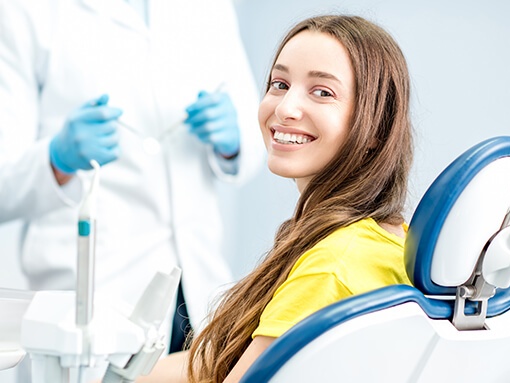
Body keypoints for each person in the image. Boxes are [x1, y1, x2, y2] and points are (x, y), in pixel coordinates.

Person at [136, 14, 414, 383]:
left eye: (322, 92)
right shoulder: (381, 237)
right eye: (280, 84)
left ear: (376, 127)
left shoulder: (333, 266)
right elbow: (215, 361)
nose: (284, 108)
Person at [0, 0, 264, 363]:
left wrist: (235, 142)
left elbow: (257, 142)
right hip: (94, 292)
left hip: (198, 287)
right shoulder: (25, 11)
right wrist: (56, 158)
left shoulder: (212, 7)